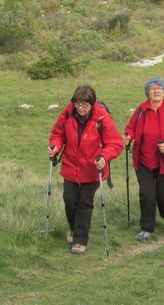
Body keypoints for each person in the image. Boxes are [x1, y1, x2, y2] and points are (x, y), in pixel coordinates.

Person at [48, 85, 124, 255]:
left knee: (85, 202)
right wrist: (55, 146)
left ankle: (80, 240)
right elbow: (58, 134)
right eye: (78, 104)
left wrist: (104, 156)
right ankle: (74, 229)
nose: (80, 108)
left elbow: (115, 143)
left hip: (93, 168)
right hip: (71, 167)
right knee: (69, 199)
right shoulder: (68, 113)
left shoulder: (102, 118)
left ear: (92, 104)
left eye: (85, 105)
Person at [123, 77, 164, 242]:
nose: (156, 90)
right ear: (147, 92)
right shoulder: (141, 110)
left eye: (159, 87)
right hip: (144, 161)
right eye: (152, 88)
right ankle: (146, 228)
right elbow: (130, 128)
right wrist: (128, 136)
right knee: (146, 194)